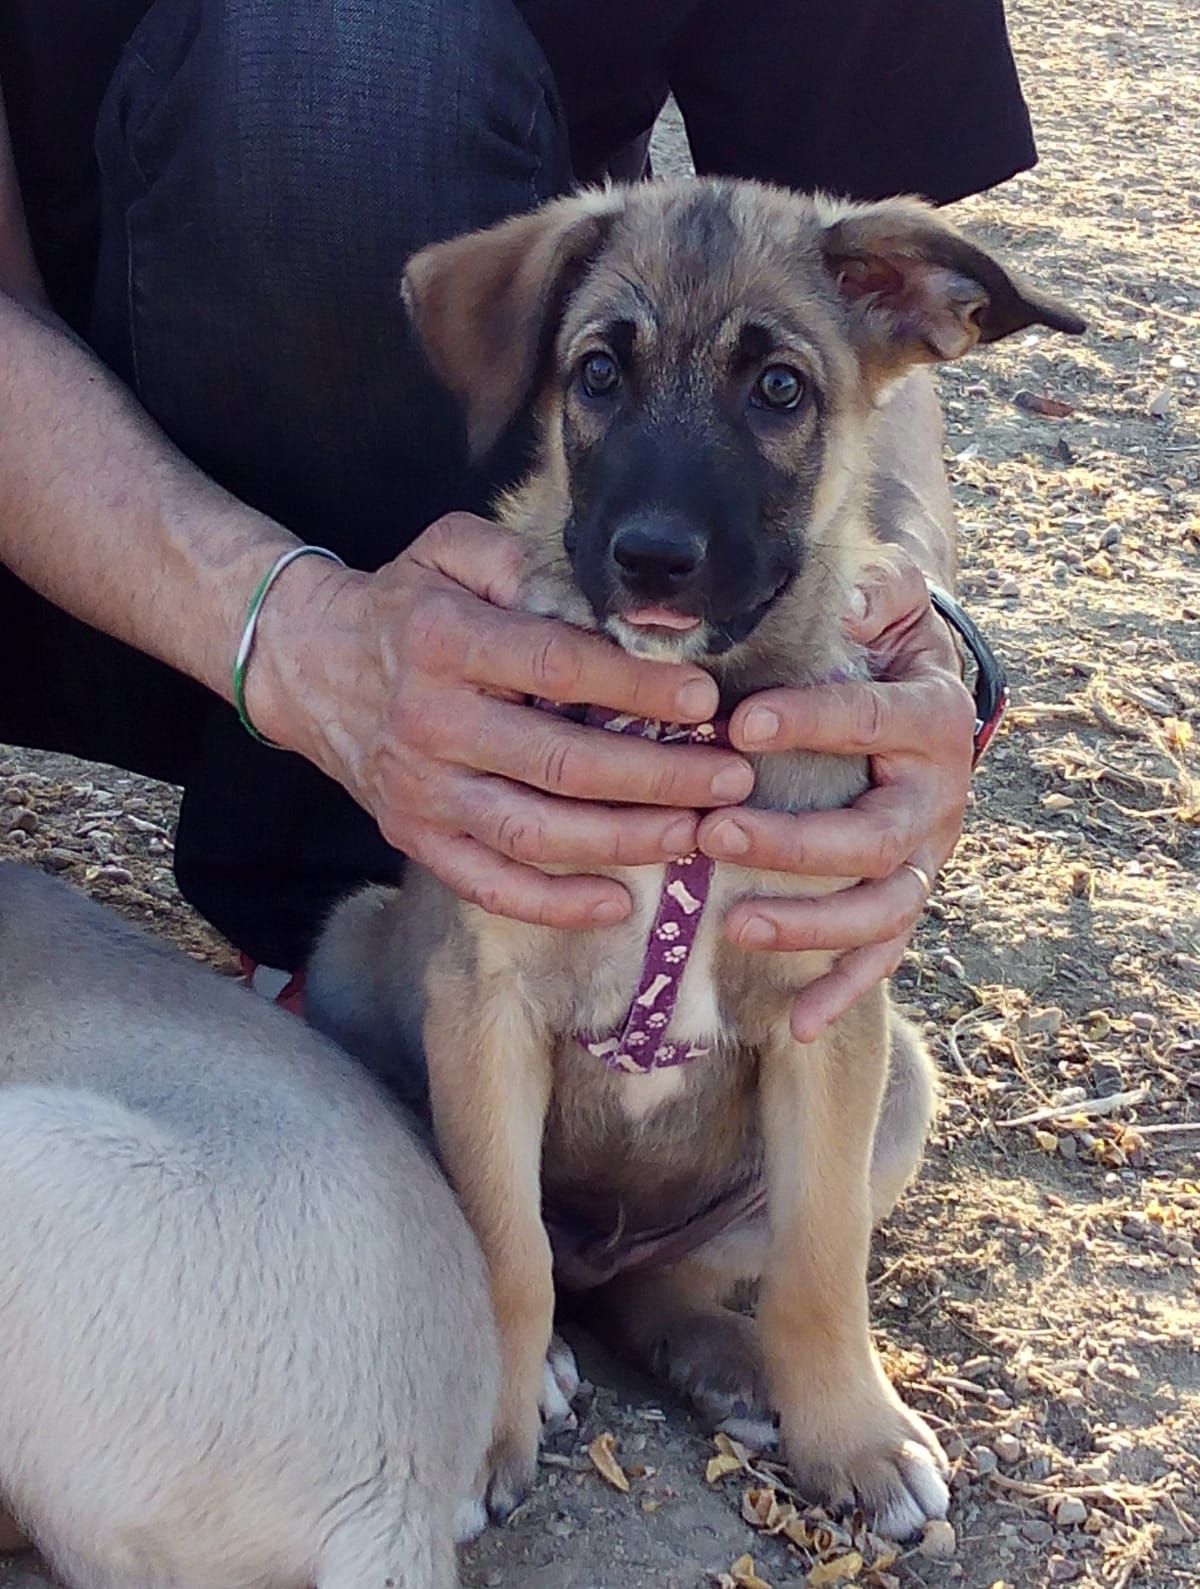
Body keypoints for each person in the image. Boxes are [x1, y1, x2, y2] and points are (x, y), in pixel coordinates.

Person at [0, 1, 1035, 1041]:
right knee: (343, 62)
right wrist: (297, 635)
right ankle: (373, 927)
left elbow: (848, 263)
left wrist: (913, 619)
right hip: (66, 506)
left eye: (776, 390)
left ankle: (467, 863)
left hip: (482, 495)